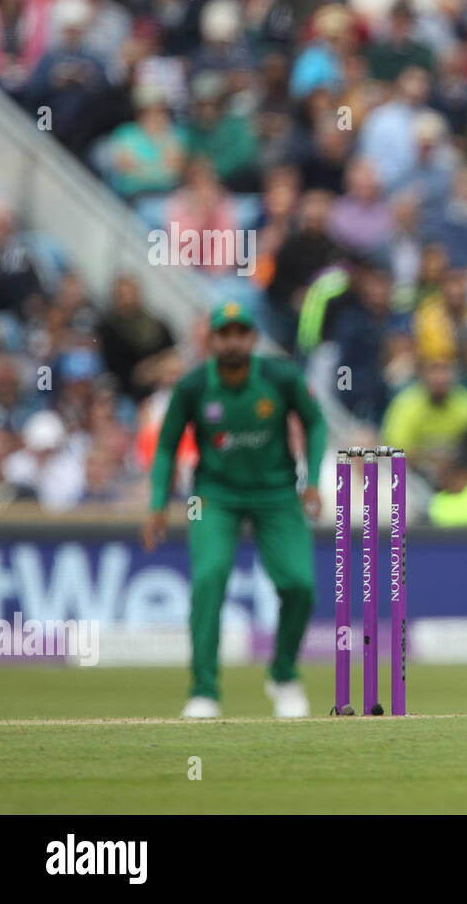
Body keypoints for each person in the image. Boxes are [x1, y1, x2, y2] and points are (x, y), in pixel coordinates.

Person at [140, 301, 327, 719]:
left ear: (253, 338)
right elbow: (167, 445)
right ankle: (204, 690)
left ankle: (283, 674)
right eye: (224, 334)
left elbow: (315, 422)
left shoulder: (280, 376)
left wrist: (312, 478)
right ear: (212, 340)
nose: (233, 341)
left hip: (277, 493)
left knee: (299, 586)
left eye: (241, 332)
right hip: (212, 495)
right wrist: (157, 504)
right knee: (208, 579)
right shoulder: (191, 386)